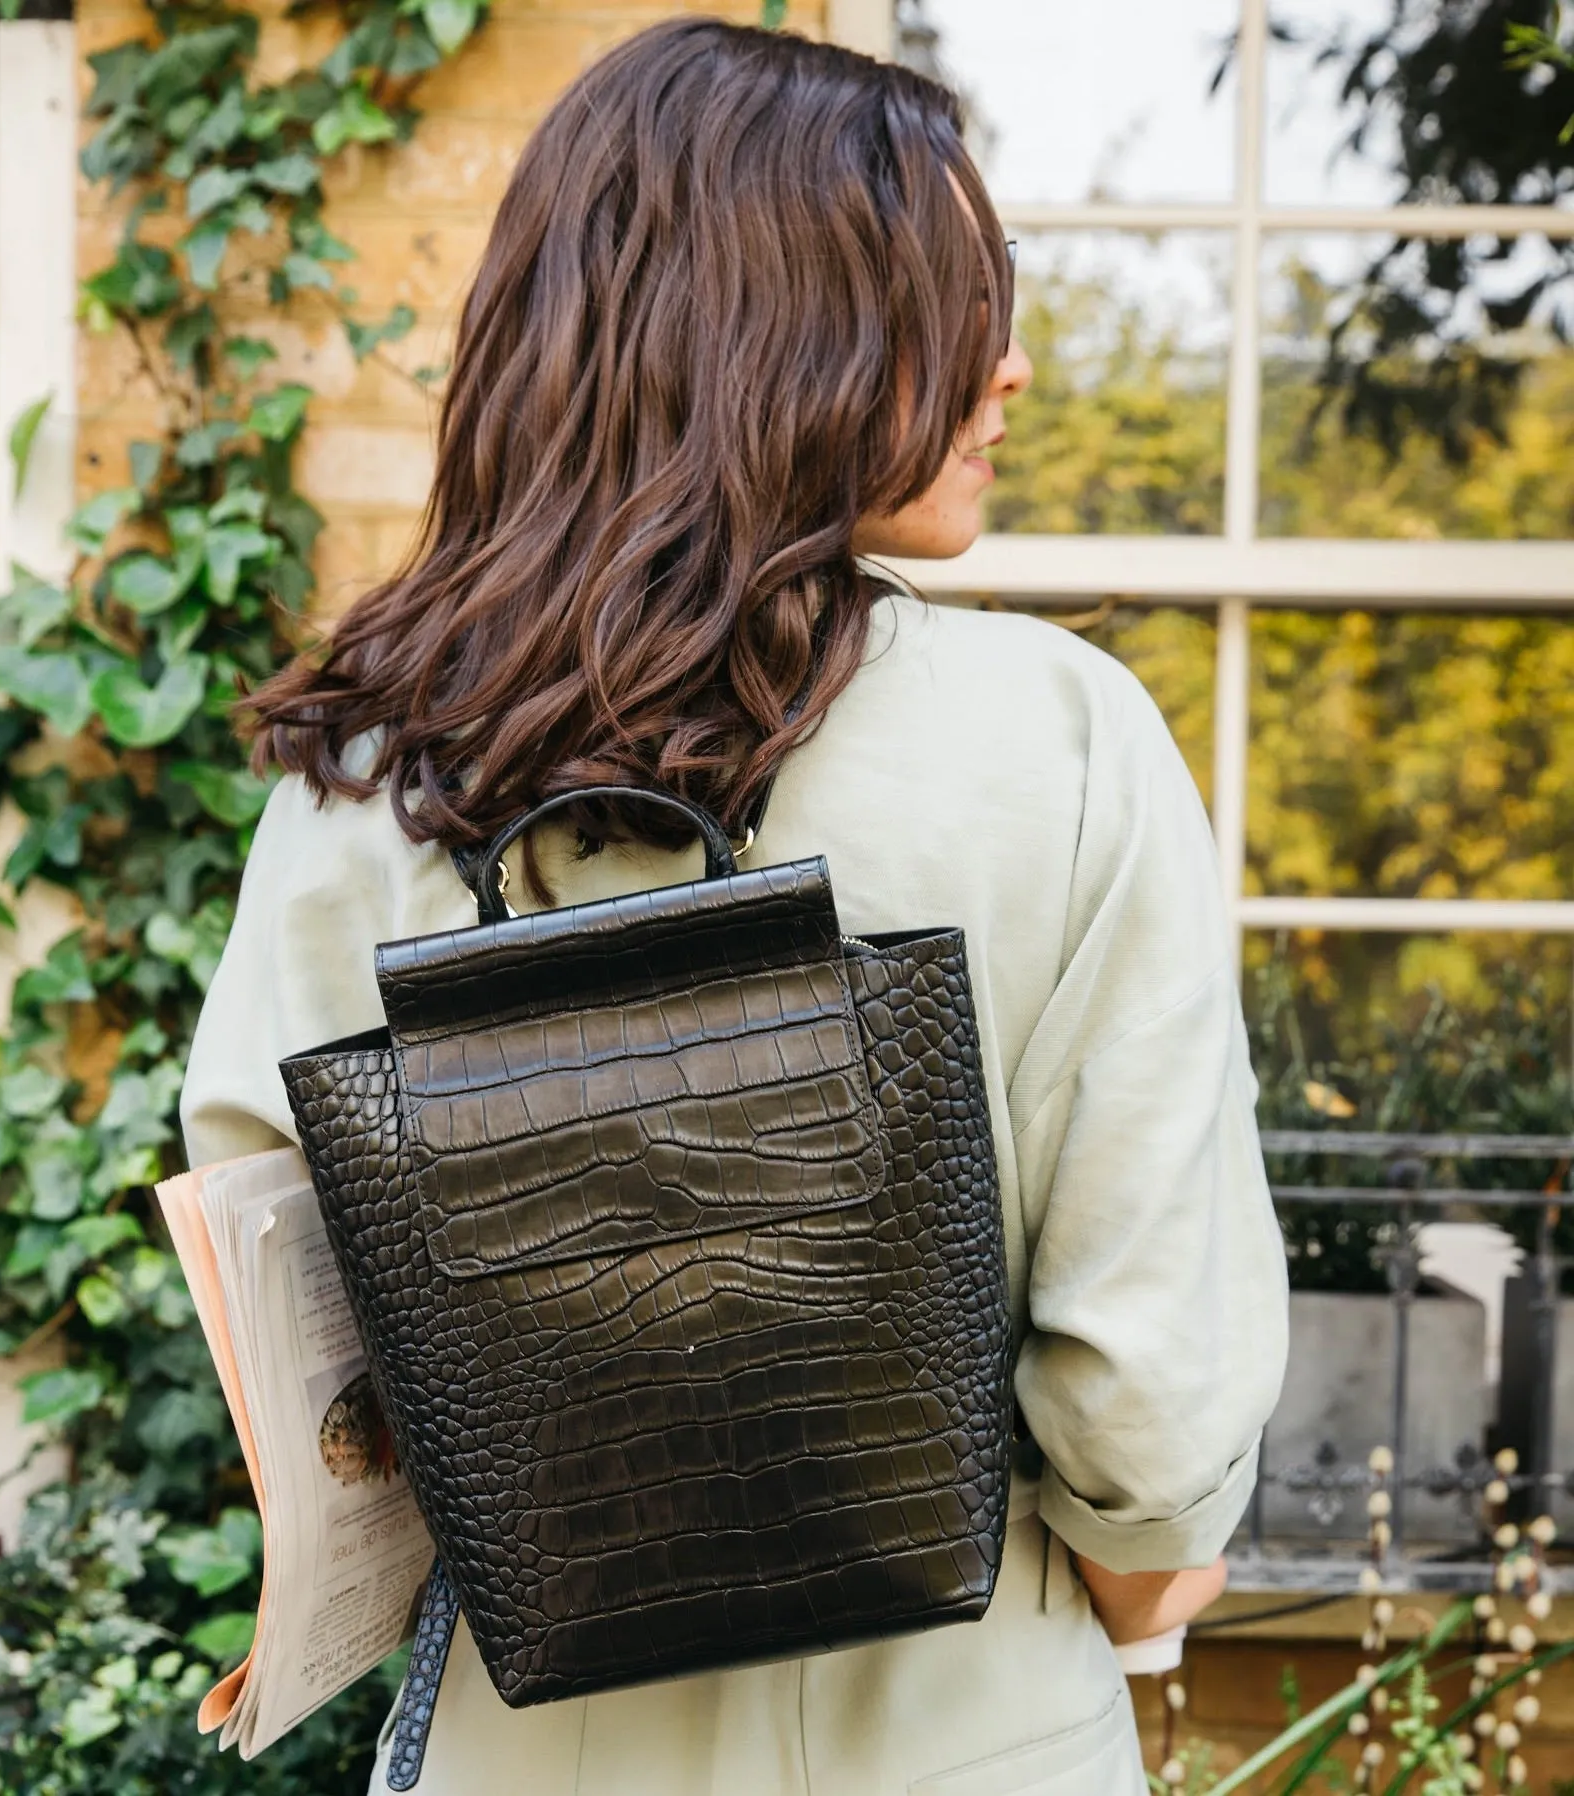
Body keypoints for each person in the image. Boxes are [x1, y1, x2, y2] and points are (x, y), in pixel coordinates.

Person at [180, 19, 1288, 1794]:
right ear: (791, 334)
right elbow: (1147, 1423)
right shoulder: (1064, 739)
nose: (1009, 369)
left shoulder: (367, 777)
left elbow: (294, 1346)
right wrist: (1142, 1569)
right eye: (957, 296)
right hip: (969, 1742)